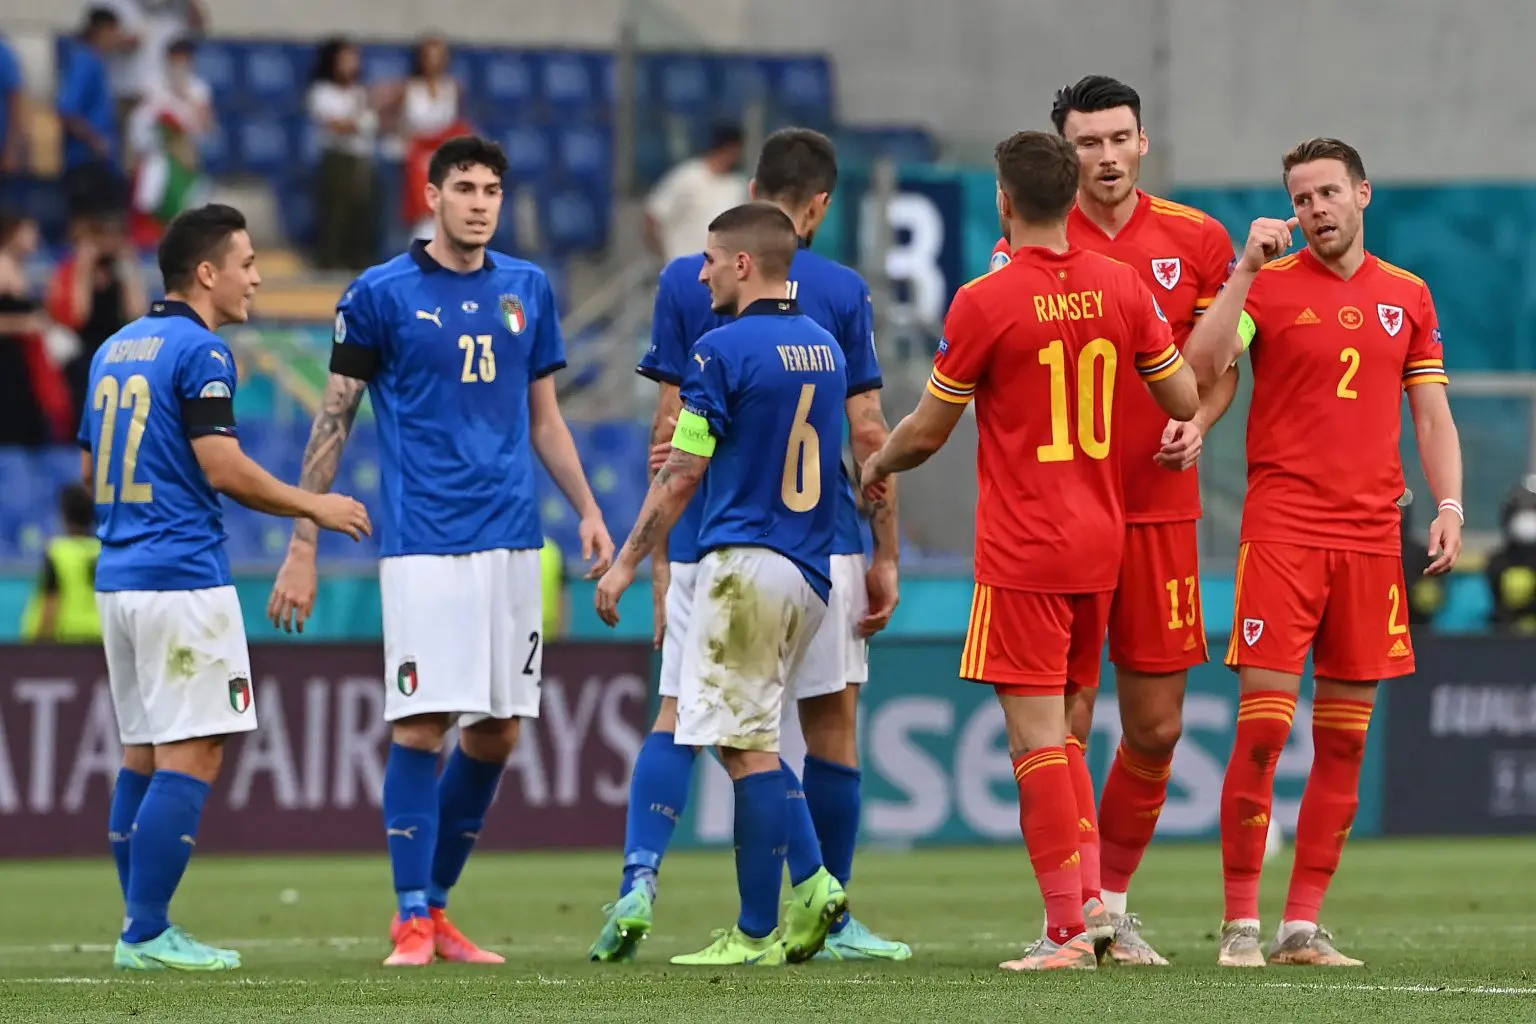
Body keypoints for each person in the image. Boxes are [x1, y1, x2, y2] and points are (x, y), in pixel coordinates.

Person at [267, 134, 616, 968]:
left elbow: (544, 418)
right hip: (425, 541)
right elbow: (334, 416)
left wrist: (589, 510)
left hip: (512, 540)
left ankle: (438, 904)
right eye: (465, 188)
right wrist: (303, 541)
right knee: (422, 724)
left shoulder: (528, 288)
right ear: (432, 196)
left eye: (492, 190)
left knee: (497, 733)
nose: (480, 203)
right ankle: (410, 918)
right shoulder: (379, 294)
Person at [862, 130, 1199, 971]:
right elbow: (1182, 395)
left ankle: (1064, 934)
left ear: (1004, 202)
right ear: (1072, 196)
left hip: (1026, 547)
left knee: (1036, 741)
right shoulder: (1122, 286)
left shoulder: (985, 300)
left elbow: (928, 432)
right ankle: (1096, 912)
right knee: (1069, 733)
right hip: (1103, 541)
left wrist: (877, 461)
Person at [590, 127, 907, 964]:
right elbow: (866, 437)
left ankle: (776, 911)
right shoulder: (828, 336)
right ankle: (818, 896)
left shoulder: (717, 344)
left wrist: (634, 562)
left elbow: (679, 459)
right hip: (817, 557)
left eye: (709, 263)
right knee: (788, 734)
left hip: (734, 558)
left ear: (739, 261)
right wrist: (885, 552)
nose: (699, 276)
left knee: (727, 738)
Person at [1182, 137, 1464, 968]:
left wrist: (1448, 505)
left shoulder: (1407, 295)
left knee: (1344, 742)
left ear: (1362, 194)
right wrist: (1242, 270)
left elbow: (1431, 415)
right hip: (1283, 534)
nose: (1315, 211)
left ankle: (1301, 925)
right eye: (1302, 199)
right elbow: (1200, 366)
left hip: (1372, 541)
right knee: (1264, 732)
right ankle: (1240, 924)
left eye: (1328, 194)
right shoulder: (1267, 287)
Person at [989, 75, 1241, 965]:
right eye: (1087, 142)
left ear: (1143, 143)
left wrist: (1198, 424)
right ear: (1065, 156)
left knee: (1158, 728)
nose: (1106, 156)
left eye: (1118, 138)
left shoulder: (1197, 239)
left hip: (1160, 512)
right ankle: (1080, 910)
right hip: (1064, 521)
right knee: (1064, 721)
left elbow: (1219, 370)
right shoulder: (1023, 248)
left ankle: (1115, 903)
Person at [83, 203, 370, 971]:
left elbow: (88, 468)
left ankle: (140, 925)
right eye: (246, 263)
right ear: (206, 274)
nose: (258, 278)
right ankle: (146, 932)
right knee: (196, 749)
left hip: (120, 578)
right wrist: (313, 504)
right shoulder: (202, 350)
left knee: (143, 754)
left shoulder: (114, 348)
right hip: (179, 577)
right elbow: (222, 467)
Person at [643, 122, 748, 263]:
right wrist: (663, 256)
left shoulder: (737, 186)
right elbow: (653, 215)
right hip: (683, 266)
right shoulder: (688, 176)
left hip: (717, 270)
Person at [21, 483, 102, 642]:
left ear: (64, 516)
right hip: (103, 639)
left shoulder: (58, 552)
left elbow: (51, 604)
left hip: (69, 641)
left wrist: (37, 643)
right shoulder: (104, 550)